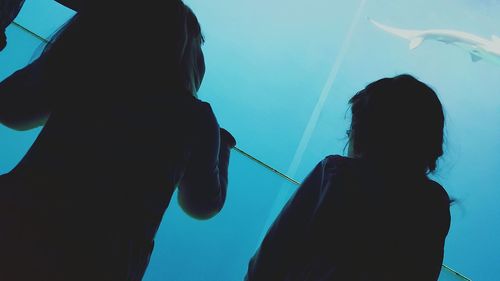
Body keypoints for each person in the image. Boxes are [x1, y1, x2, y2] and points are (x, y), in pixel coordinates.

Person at [0, 1, 235, 280]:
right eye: (199, 45)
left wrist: (63, 58)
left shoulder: (95, 76)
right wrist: (223, 148)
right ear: (187, 51)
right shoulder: (197, 117)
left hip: (16, 218)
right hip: (103, 261)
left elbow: (11, 108)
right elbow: (203, 203)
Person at [246, 75, 451, 281]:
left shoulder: (336, 174)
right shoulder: (434, 204)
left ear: (362, 135)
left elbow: (271, 255)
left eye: (350, 131)